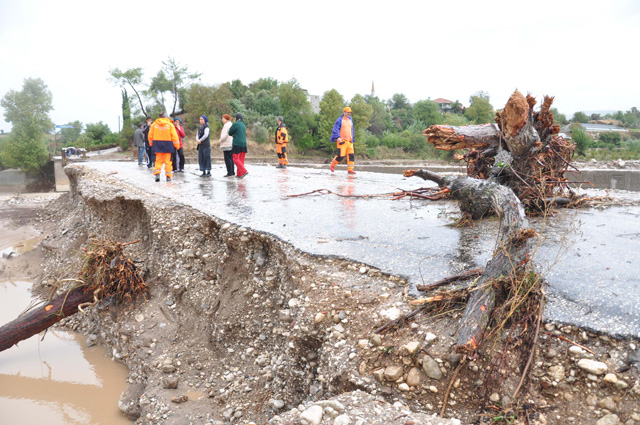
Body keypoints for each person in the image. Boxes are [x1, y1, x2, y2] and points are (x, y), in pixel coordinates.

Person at [148, 112, 179, 182]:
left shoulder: (154, 125)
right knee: (168, 161)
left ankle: (157, 174)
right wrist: (177, 146)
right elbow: (174, 136)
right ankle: (168, 176)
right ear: (165, 116)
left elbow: (150, 136)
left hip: (157, 144)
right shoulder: (170, 125)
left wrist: (151, 144)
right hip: (168, 144)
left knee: (158, 161)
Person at [330, 106, 356, 175]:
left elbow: (352, 130)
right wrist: (337, 137)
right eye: (348, 112)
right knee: (340, 156)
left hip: (350, 141)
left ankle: (350, 169)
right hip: (342, 141)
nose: (349, 114)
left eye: (350, 113)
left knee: (351, 155)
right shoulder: (339, 120)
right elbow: (335, 129)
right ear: (344, 112)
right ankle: (333, 164)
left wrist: (352, 138)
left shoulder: (350, 120)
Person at [228, 113, 248, 178]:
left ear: (236, 118)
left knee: (235, 158)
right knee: (241, 160)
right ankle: (239, 174)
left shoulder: (235, 124)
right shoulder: (243, 125)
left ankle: (244, 171)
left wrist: (234, 134)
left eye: (235, 118)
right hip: (244, 144)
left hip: (237, 143)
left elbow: (230, 132)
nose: (234, 119)